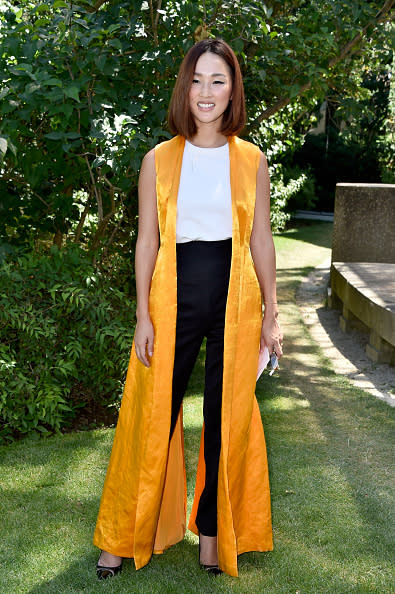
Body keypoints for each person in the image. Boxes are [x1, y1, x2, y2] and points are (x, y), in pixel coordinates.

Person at [93, 37, 283, 580]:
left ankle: (213, 532)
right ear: (185, 87)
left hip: (237, 300)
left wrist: (273, 313)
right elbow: (147, 242)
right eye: (197, 80)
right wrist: (142, 316)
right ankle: (124, 538)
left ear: (232, 92)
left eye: (217, 81)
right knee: (150, 414)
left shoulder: (252, 161)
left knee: (229, 418)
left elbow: (262, 241)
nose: (206, 92)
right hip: (172, 296)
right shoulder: (160, 159)